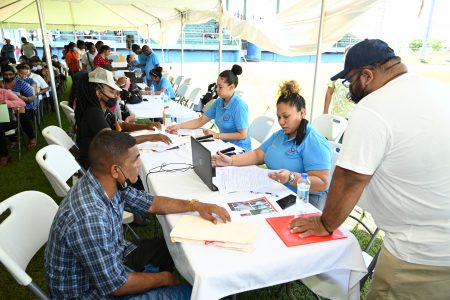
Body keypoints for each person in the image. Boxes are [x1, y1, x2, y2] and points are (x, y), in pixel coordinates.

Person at [289, 39, 450, 299]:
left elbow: (351, 177)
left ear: (366, 75)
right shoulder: (438, 90)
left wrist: (325, 223)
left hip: (419, 255)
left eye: (349, 80)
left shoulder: (374, 107)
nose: (348, 89)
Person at [45, 130, 230, 298]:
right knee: (191, 295)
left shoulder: (105, 181)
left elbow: (152, 203)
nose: (140, 163)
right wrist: (163, 279)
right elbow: (115, 286)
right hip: (91, 293)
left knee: (177, 249)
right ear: (116, 170)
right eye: (135, 159)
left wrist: (196, 205)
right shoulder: (90, 217)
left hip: (115, 258)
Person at [212, 80, 331, 209]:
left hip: (302, 200)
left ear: (302, 113)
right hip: (276, 192)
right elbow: (258, 155)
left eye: (286, 116)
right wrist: (230, 161)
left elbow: (322, 183)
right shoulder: (281, 134)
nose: (281, 122)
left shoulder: (313, 140)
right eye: (279, 117)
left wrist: (291, 177)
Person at [74, 67, 171, 170]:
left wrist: (146, 126)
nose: (115, 96)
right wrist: (150, 137)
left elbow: (120, 125)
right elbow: (115, 142)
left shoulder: (102, 109)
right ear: (98, 93)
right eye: (112, 92)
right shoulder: (94, 113)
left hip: (102, 161)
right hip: (96, 169)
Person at [167, 64, 252, 152]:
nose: (216, 89)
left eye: (220, 87)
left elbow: (242, 135)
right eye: (217, 86)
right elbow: (200, 121)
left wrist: (217, 135)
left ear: (231, 87)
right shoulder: (219, 102)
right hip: (224, 145)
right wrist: (178, 126)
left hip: (240, 150)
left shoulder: (239, 106)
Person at [0, 65, 37, 148]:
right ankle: (14, 138)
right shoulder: (1, 84)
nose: (8, 76)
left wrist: (25, 98)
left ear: (14, 74)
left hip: (26, 108)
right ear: (2, 74)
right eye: (6, 74)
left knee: (22, 116)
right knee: (4, 118)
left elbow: (33, 97)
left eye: (10, 74)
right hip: (6, 109)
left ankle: (32, 137)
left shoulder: (20, 83)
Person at [323, 47, 355, 119]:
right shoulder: (336, 74)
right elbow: (329, 92)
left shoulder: (359, 74)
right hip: (336, 116)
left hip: (352, 116)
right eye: (347, 55)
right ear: (344, 56)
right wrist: (325, 112)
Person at [0, 88, 25, 166]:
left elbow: (22, 103)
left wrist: (5, 102)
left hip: (9, 121)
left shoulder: (5, 92)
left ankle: (4, 155)